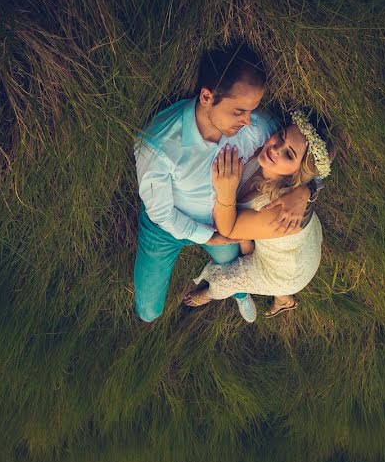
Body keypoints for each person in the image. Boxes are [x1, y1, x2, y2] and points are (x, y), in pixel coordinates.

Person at [133, 43, 317, 323]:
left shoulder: (257, 126)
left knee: (234, 265)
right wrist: (208, 237)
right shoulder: (156, 146)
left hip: (220, 220)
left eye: (252, 110)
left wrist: (306, 190)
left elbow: (312, 158)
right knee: (148, 313)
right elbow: (161, 213)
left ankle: (240, 295)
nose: (247, 121)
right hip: (165, 229)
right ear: (207, 96)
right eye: (239, 111)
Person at [182, 109, 332, 318]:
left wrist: (226, 192)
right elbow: (314, 179)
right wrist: (306, 190)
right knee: (259, 246)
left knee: (228, 279)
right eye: (281, 137)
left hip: (286, 272)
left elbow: (229, 230)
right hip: (297, 247)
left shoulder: (278, 213)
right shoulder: (270, 161)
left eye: (289, 154)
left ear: (299, 172)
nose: (276, 149)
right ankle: (283, 300)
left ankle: (209, 294)